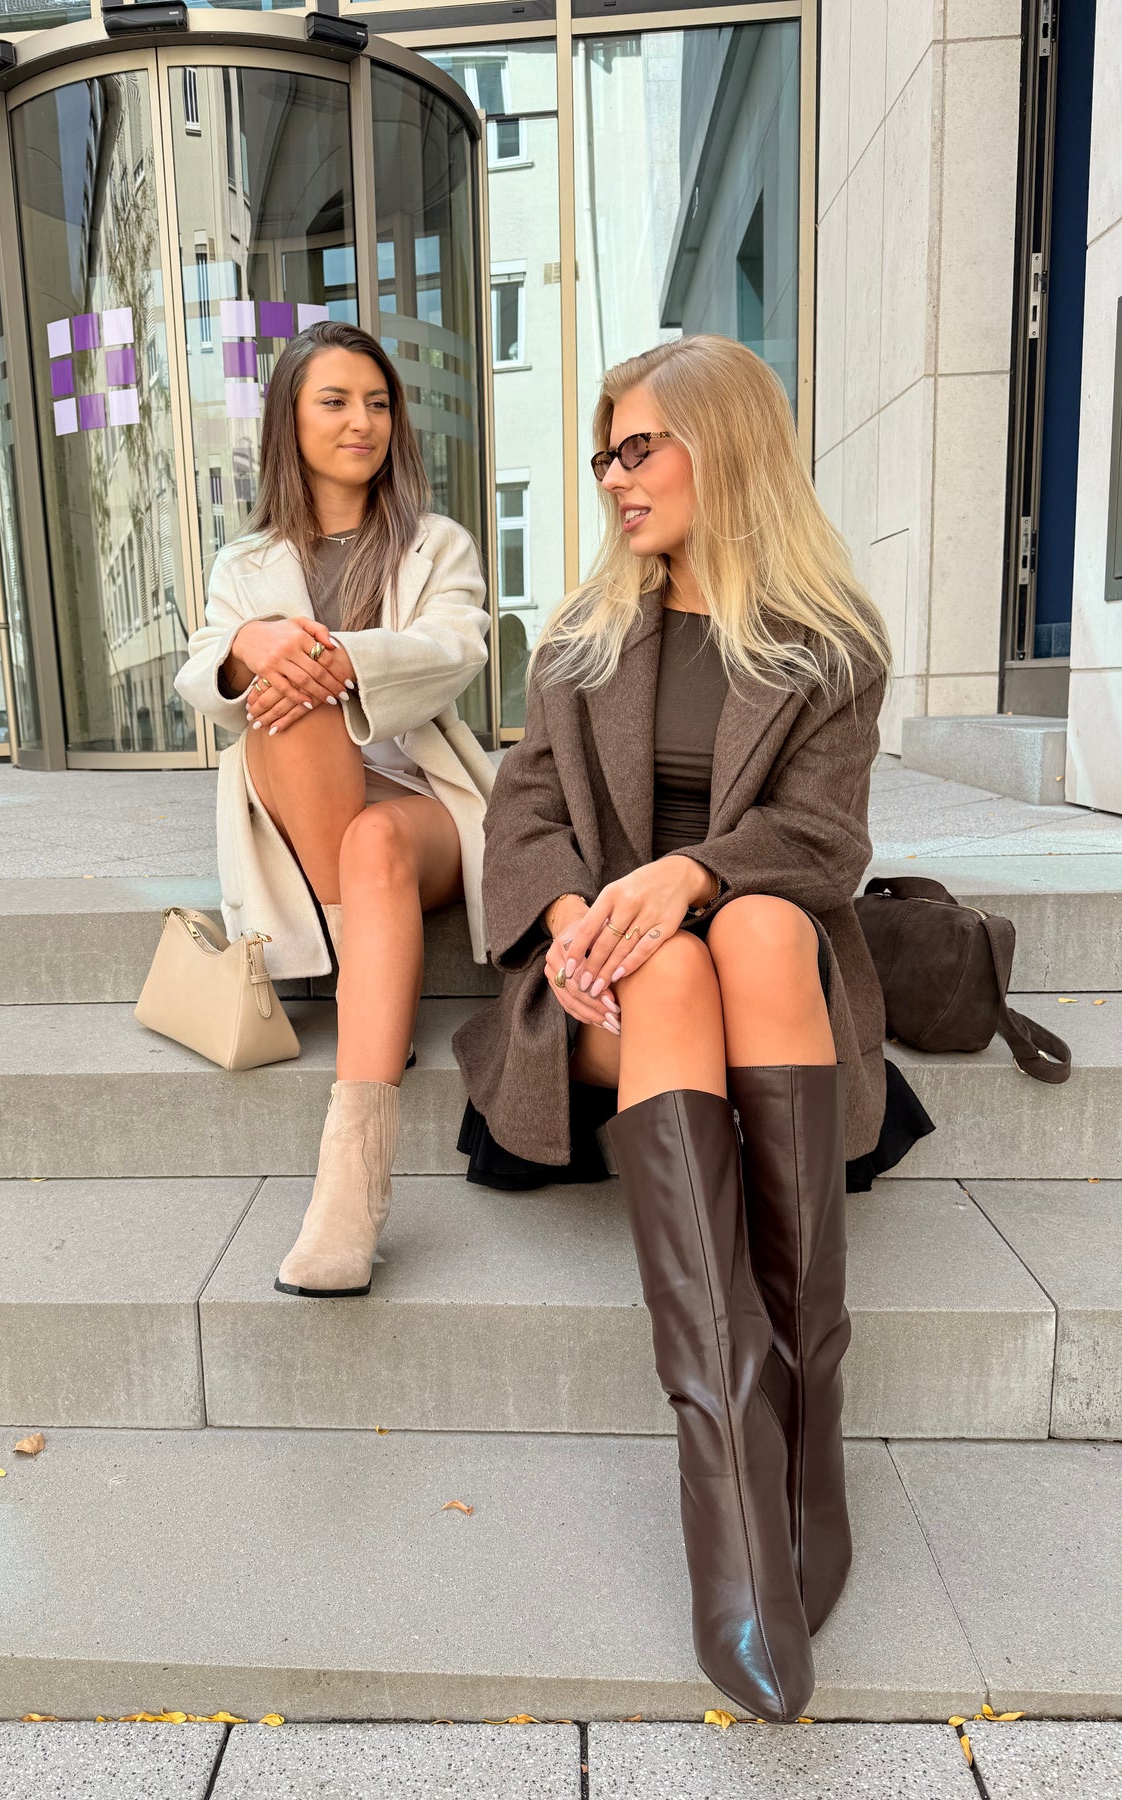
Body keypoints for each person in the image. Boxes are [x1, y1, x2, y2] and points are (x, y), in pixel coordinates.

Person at [453, 334, 932, 1721]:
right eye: (604, 453)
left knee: (763, 928)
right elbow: (522, 814)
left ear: (723, 445)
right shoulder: (579, 637)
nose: (613, 477)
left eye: (637, 447)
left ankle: (806, 1429)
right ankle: (728, 1464)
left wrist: (692, 875)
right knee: (666, 973)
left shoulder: (829, 644)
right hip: (613, 983)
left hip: (761, 955)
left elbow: (823, 840)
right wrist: (573, 923)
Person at [175, 319, 494, 1298]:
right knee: (282, 690)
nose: (363, 421)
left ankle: (349, 1190)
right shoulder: (246, 562)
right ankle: (372, 999)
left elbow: (459, 647)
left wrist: (337, 657)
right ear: (290, 418)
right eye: (336, 401)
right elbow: (200, 671)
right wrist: (250, 645)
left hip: (423, 800)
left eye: (378, 402)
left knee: (364, 809)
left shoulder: (436, 542)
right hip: (314, 804)